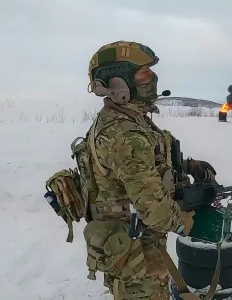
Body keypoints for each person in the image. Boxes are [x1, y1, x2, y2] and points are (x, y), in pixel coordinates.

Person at [85, 41, 216, 300]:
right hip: (134, 254)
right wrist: (184, 221)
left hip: (137, 244)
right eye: (143, 72)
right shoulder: (123, 133)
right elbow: (154, 209)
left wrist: (188, 165)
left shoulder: (131, 119)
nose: (152, 77)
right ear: (117, 84)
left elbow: (154, 152)